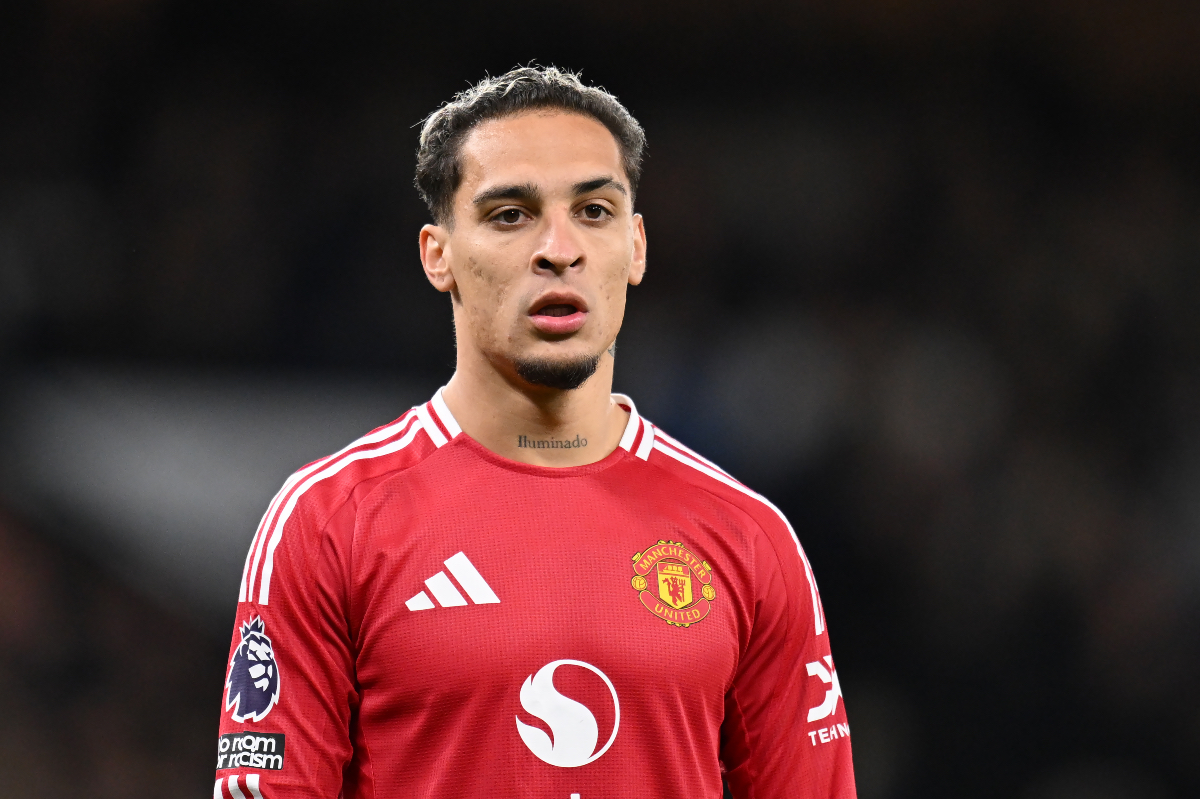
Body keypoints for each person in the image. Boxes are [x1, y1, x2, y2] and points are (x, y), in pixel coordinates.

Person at [214, 65, 856, 799]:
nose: (559, 247)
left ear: (637, 247)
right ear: (438, 254)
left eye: (594, 211)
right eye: (510, 214)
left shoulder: (747, 540)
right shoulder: (330, 522)